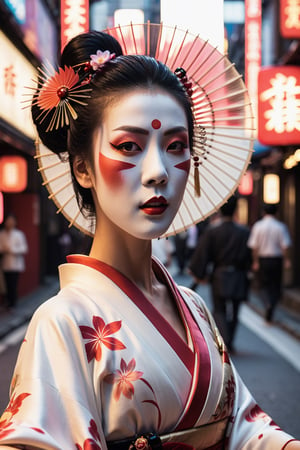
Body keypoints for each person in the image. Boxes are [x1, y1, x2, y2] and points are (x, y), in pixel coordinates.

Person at [0, 28, 299, 450]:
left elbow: (244, 425)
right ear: (83, 168)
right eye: (128, 145)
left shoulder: (193, 306)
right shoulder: (63, 322)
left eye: (176, 145)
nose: (158, 170)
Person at [188, 196, 251, 352]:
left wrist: (199, 274)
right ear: (236, 209)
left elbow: (203, 254)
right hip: (238, 274)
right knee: (236, 310)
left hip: (220, 275)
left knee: (219, 310)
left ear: (221, 210)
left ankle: (226, 340)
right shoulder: (244, 232)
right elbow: (249, 256)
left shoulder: (213, 231)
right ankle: (230, 340)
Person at [247, 203, 292, 322]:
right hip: (276, 259)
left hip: (262, 259)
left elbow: (254, 247)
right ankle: (271, 303)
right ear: (276, 213)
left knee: (262, 285)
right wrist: (286, 259)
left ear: (263, 213)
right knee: (275, 285)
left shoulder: (258, 226)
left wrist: (255, 261)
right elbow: (285, 246)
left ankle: (267, 303)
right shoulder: (280, 226)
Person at [0, 213, 28, 310]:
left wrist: (12, 249)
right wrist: (4, 249)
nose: (10, 223)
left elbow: (24, 248)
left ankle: (13, 303)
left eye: (12, 220)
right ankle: (8, 302)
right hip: (6, 263)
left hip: (16, 264)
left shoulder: (19, 234)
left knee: (13, 284)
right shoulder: (2, 234)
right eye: (8, 220)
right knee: (6, 284)